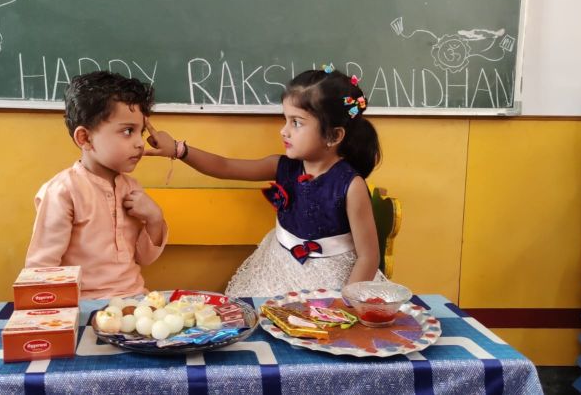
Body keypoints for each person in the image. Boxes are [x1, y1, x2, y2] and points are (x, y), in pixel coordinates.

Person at [144, 66, 384, 296]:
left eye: (296, 122)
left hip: (333, 279)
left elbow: (368, 256)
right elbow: (224, 166)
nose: (284, 131)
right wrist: (178, 149)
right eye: (285, 119)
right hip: (279, 271)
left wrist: (345, 305)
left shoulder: (351, 186)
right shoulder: (282, 166)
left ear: (334, 135)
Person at [25, 71, 168, 299]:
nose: (140, 143)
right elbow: (42, 269)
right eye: (128, 131)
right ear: (85, 138)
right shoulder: (63, 191)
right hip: (82, 306)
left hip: (135, 301)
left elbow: (144, 258)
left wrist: (155, 219)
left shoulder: (132, 188)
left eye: (140, 132)